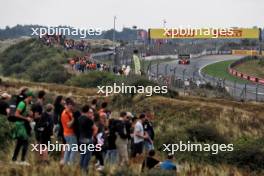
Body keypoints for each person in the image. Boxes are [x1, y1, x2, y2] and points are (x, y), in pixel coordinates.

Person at [12, 90, 34, 166]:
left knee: (19, 143)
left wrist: (30, 115)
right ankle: (22, 160)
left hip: (24, 124)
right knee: (25, 142)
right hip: (20, 125)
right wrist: (26, 118)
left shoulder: (28, 104)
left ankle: (14, 159)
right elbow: (16, 114)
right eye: (32, 97)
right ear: (29, 97)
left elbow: (26, 113)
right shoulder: (22, 103)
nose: (32, 99)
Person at [78, 105, 98, 174]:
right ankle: (84, 170)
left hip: (81, 138)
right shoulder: (88, 120)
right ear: (87, 111)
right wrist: (92, 136)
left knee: (82, 155)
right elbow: (95, 129)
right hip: (88, 139)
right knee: (88, 156)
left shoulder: (79, 118)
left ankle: (80, 170)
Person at [61, 98, 77, 165]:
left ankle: (65, 162)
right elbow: (69, 125)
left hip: (68, 133)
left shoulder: (69, 112)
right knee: (74, 149)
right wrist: (74, 119)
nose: (73, 106)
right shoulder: (65, 114)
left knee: (68, 149)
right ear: (68, 105)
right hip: (69, 134)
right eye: (72, 105)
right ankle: (71, 163)